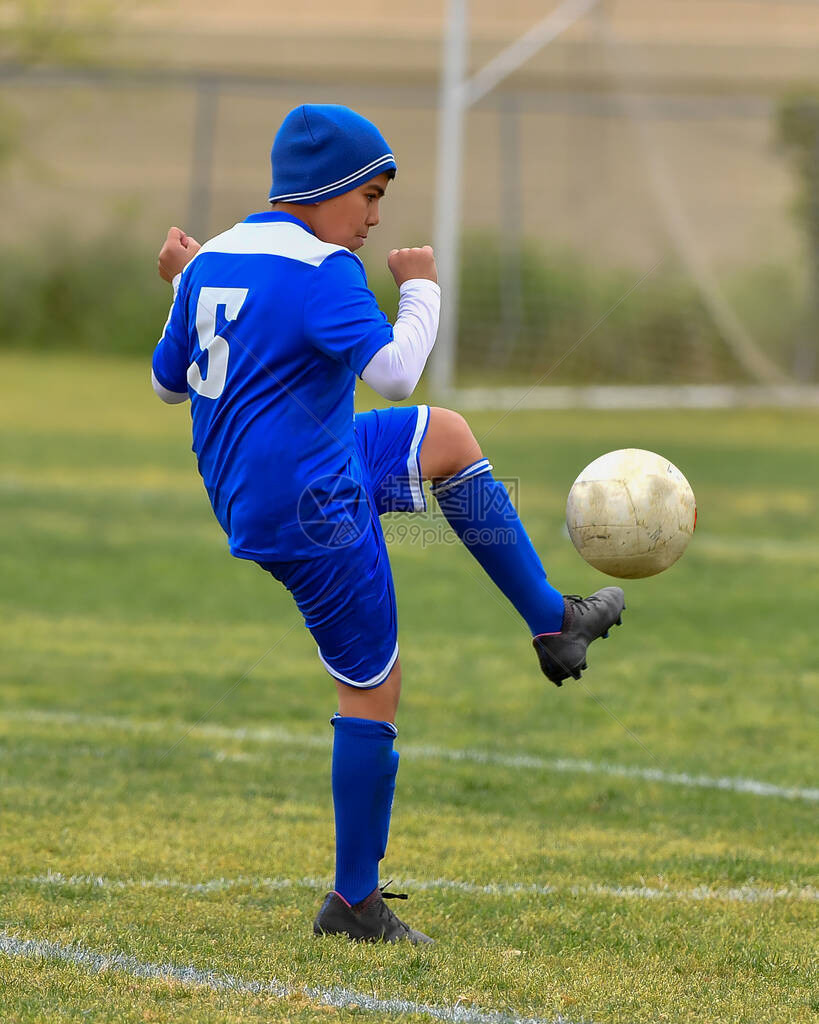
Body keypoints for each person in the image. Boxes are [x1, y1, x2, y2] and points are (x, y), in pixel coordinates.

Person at [151, 103, 625, 945]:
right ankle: (355, 903)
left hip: (270, 477)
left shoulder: (214, 258)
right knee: (372, 682)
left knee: (445, 440)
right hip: (311, 502)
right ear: (326, 190)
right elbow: (395, 372)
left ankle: (553, 622)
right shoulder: (324, 269)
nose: (374, 218)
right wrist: (421, 286)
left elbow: (168, 385)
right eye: (368, 197)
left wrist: (185, 283)